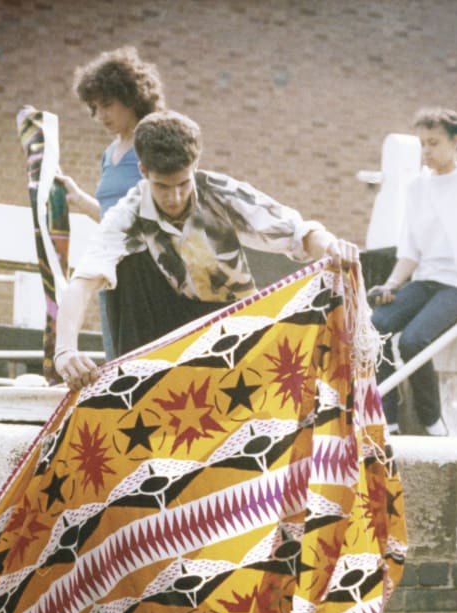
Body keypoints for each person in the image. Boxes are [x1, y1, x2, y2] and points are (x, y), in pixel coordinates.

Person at [54, 109, 361, 390]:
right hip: (163, 332)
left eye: (183, 184)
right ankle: (140, 381)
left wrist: (331, 247)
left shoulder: (220, 191)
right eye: (162, 186)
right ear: (143, 171)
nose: (174, 198)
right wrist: (65, 350)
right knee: (126, 261)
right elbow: (83, 283)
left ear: (195, 166)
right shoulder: (127, 214)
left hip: (228, 323)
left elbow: (300, 233)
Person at [368, 107, 457, 435]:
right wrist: (391, 284)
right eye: (422, 144)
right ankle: (387, 422)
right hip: (425, 280)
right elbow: (411, 251)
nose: (426, 151)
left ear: (456, 142)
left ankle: (433, 423)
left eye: (433, 143)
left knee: (414, 340)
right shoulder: (417, 188)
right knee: (375, 329)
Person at [55, 46, 165, 358]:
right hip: (112, 269)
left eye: (107, 105)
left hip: (148, 270)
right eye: (94, 107)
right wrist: (78, 199)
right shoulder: (111, 152)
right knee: (117, 356)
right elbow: (113, 216)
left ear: (131, 97)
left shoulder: (152, 141)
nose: (100, 115)